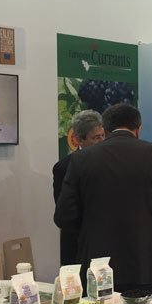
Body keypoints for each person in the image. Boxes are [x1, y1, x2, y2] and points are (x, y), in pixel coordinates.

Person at [54, 103, 152, 297]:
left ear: (105, 129)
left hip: (99, 266)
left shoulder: (81, 159)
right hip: (149, 263)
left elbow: (64, 217)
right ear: (138, 128)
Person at [52, 110, 105, 264]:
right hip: (77, 245)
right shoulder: (64, 167)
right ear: (79, 140)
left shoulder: (110, 163)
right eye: (96, 138)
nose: (102, 141)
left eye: (103, 136)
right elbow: (65, 212)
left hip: (106, 242)